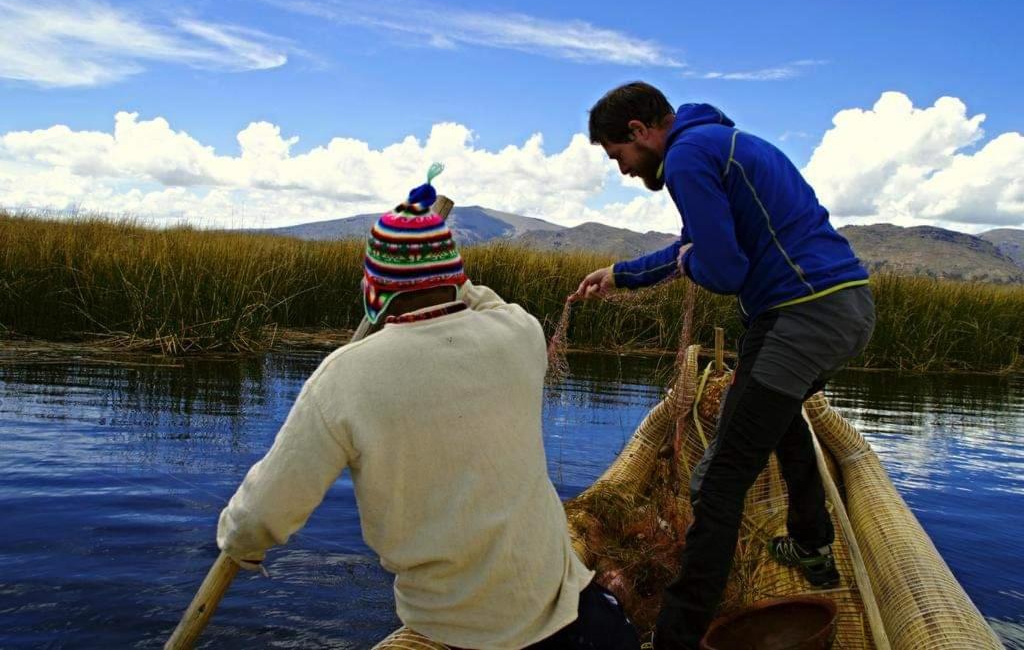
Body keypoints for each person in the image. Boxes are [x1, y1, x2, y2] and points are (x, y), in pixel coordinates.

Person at [217, 167, 640, 650]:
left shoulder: (344, 378)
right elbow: (483, 301)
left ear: (373, 289)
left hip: (457, 632)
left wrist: (239, 542)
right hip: (576, 618)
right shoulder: (520, 334)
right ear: (456, 279)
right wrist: (443, 266)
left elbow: (260, 516)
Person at [574, 83, 875, 649]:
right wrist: (621, 273)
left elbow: (725, 268)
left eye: (619, 157)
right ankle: (811, 543)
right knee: (781, 419)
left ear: (640, 132)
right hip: (842, 306)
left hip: (802, 314)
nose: (623, 171)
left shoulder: (687, 157)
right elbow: (696, 246)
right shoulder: (717, 144)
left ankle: (675, 640)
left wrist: (693, 263)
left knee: (716, 480)